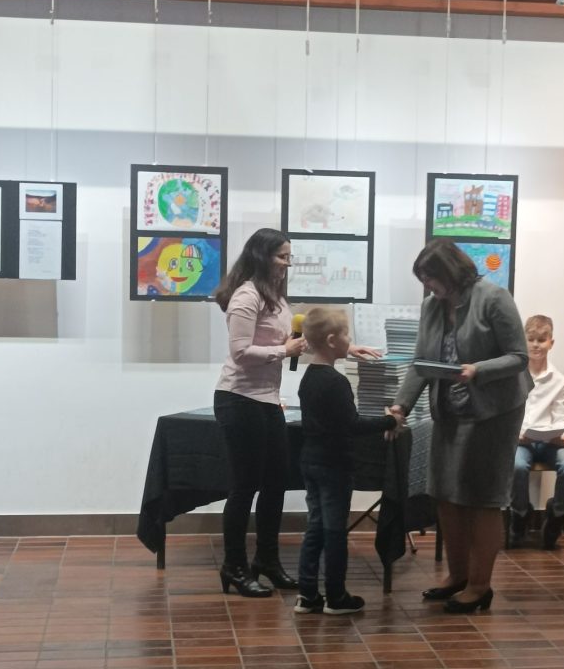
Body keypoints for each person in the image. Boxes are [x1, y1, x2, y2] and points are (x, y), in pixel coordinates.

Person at [213, 229, 380, 598]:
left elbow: (299, 341)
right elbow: (241, 352)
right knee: (244, 487)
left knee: (275, 483)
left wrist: (348, 348)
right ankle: (234, 566)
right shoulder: (246, 296)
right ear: (261, 256)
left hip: (267, 400)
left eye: (289, 257)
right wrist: (283, 351)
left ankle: (267, 561)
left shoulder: (275, 297)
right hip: (238, 399)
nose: (287, 264)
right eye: (281, 257)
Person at [392, 240, 532, 613]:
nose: (428, 286)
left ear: (452, 272)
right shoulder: (431, 306)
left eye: (431, 278)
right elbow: (421, 362)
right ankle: (457, 576)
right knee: (444, 493)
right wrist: (401, 405)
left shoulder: (493, 298)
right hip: (449, 408)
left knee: (482, 496)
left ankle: (479, 585)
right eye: (423, 280)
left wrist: (478, 370)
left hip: (494, 410)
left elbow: (519, 357)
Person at [295, 307, 404, 615]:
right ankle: (336, 596)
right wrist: (389, 421)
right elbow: (351, 425)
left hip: (310, 461)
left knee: (315, 526)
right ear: (332, 340)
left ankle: (307, 594)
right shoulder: (336, 382)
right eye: (346, 334)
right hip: (334, 465)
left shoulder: (308, 378)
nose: (350, 340)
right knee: (334, 531)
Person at [510, 314, 564, 550]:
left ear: (551, 342)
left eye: (542, 340)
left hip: (550, 440)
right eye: (531, 339)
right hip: (521, 440)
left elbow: (560, 416)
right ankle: (520, 513)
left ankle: (556, 515)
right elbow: (508, 413)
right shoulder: (514, 376)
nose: (536, 345)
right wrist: (517, 434)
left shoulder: (559, 380)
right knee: (517, 466)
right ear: (523, 341)